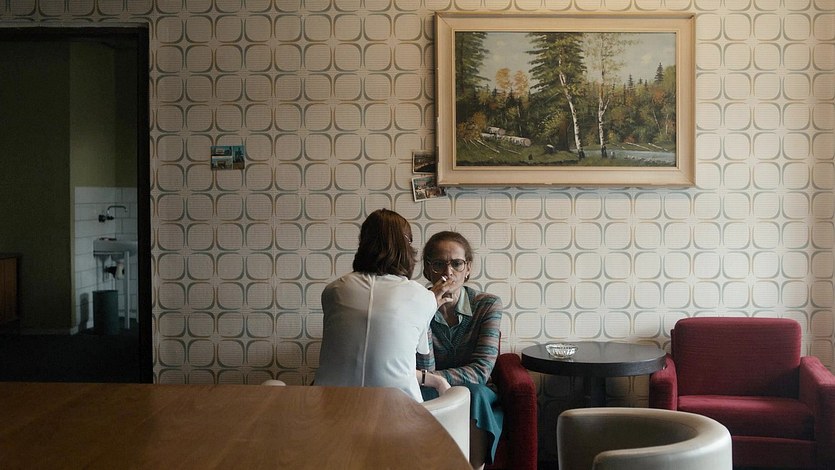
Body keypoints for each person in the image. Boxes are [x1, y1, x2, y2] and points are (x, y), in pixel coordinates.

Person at [316, 209, 454, 401]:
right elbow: (423, 364)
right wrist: (430, 306)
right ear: (406, 247)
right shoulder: (421, 296)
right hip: (399, 410)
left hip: (330, 408)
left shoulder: (333, 291)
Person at [417, 231, 504, 468]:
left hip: (477, 393)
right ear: (427, 270)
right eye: (439, 264)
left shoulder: (487, 305)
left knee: (473, 393)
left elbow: (481, 372)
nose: (448, 272)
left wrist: (433, 379)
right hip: (428, 391)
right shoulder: (414, 304)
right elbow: (425, 366)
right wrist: (427, 310)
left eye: (456, 263)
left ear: (468, 269)